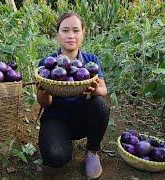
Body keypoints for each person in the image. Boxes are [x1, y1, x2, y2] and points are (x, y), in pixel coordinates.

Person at [36, 12, 110, 179]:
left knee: (100, 104)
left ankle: (92, 151)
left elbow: (104, 90)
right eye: (65, 30)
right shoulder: (46, 64)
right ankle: (61, 141)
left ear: (83, 33)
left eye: (76, 30)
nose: (71, 35)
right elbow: (45, 103)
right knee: (56, 157)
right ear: (57, 35)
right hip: (55, 118)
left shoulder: (91, 61)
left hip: (81, 117)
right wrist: (43, 92)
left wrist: (95, 89)